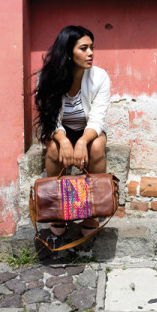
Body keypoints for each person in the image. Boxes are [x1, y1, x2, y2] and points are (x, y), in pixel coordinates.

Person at [34, 25, 111, 237]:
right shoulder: (47, 77)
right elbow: (49, 117)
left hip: (88, 129)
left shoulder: (100, 77)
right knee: (53, 150)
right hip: (59, 130)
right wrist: (64, 140)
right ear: (68, 52)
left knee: (97, 147)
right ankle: (57, 209)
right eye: (84, 48)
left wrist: (83, 141)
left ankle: (93, 210)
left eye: (92, 47)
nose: (91, 53)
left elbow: (97, 118)